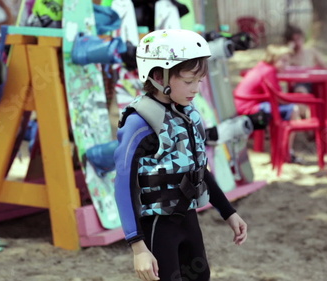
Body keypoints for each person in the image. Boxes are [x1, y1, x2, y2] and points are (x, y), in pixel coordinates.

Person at [113, 29, 247, 281]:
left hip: (188, 220)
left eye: (199, 81)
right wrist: (137, 246)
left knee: (200, 276)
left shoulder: (187, 114)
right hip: (157, 226)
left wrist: (228, 212)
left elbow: (198, 169)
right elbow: (123, 184)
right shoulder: (139, 123)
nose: (196, 89)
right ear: (157, 75)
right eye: (188, 81)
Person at [233, 44, 304, 163]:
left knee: (289, 108)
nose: (287, 65)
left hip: (245, 103)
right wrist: (299, 99)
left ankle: (284, 147)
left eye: (288, 61)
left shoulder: (262, 67)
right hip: (249, 107)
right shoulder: (269, 71)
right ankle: (287, 151)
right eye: (283, 61)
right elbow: (279, 97)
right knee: (294, 110)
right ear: (273, 59)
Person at [284, 25, 327, 116]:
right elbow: (282, 67)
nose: (297, 42)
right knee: (301, 94)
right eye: (293, 40)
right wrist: (288, 50)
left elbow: (326, 68)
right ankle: (306, 122)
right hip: (300, 84)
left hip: (316, 83)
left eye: (298, 39)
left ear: (303, 38)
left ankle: (324, 120)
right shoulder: (287, 55)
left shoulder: (311, 52)